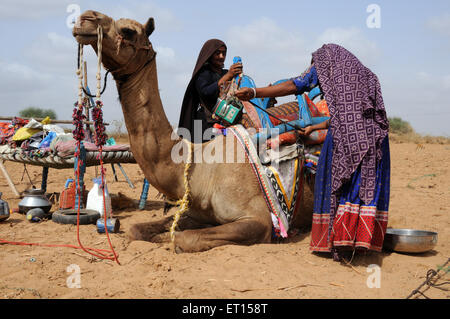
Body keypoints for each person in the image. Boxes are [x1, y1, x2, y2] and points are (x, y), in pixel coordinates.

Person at [236, 43, 390, 262]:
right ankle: (361, 242)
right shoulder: (365, 77)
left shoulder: (324, 60)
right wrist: (316, 127)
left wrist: (254, 92)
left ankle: (338, 243)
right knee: (363, 186)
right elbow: (350, 115)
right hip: (374, 139)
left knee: (331, 181)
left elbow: (296, 84)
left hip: (346, 138)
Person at [178, 39, 243, 143]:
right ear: (210, 55)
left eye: (224, 53)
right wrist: (228, 76)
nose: (221, 56)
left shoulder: (226, 73)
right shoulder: (203, 73)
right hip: (205, 123)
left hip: (227, 121)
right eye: (217, 53)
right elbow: (206, 92)